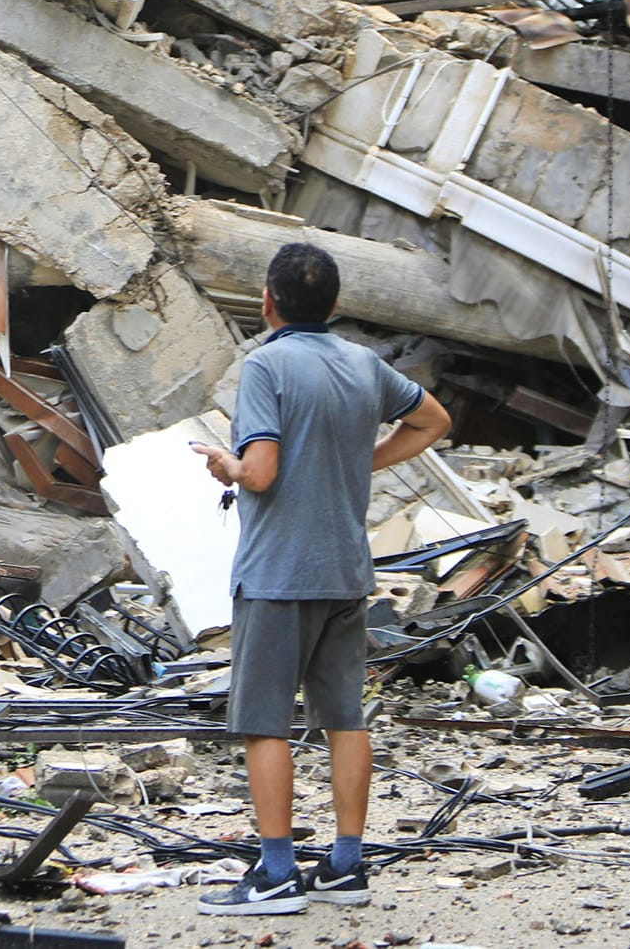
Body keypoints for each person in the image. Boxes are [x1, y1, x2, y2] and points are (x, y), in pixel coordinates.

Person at [189, 241, 452, 915]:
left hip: (278, 574)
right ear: (334, 305)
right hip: (345, 572)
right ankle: (345, 866)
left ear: (267, 302)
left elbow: (261, 472)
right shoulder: (365, 363)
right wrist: (364, 461)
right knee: (344, 719)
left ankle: (276, 874)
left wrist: (224, 465)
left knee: (264, 725)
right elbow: (434, 420)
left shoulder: (266, 364)